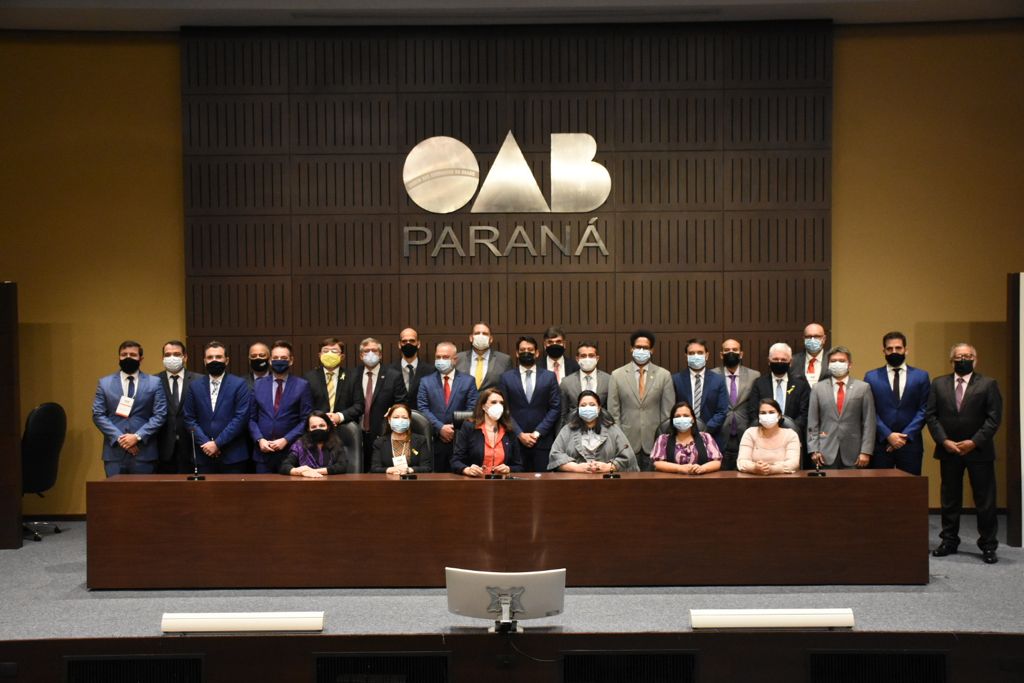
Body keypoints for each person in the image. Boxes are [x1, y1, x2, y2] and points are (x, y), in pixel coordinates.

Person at [927, 343, 1002, 564]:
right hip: (949, 450)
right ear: (952, 361)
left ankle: (988, 545)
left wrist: (974, 441)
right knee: (950, 500)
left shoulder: (988, 384)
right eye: (959, 357)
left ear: (975, 360)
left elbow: (994, 418)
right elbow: (931, 416)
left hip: (979, 451)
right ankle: (949, 541)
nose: (963, 360)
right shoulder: (938, 384)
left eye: (968, 356)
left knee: (985, 500)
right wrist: (944, 441)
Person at [91, 340, 168, 477]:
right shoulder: (104, 383)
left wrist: (137, 437)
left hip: (144, 452)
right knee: (114, 491)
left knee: (144, 491)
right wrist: (120, 438)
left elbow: (160, 414)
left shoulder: (154, 383)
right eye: (124, 354)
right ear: (119, 357)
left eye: (132, 355)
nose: (128, 357)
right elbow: (98, 414)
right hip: (114, 453)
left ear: (141, 358)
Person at [863, 331, 931, 475]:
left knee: (910, 486)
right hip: (881, 443)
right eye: (890, 348)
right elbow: (869, 410)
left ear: (906, 350)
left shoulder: (921, 376)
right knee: (880, 486)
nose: (894, 352)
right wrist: (888, 435)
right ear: (884, 351)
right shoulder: (871, 377)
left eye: (898, 348)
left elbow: (924, 409)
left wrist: (904, 436)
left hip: (910, 444)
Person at [607, 330, 674, 471]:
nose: (641, 350)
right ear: (631, 349)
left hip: (655, 442)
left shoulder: (664, 375)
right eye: (638, 347)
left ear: (652, 350)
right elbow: (613, 413)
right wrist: (619, 440)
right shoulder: (617, 375)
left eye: (645, 347)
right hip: (626, 442)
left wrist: (663, 440)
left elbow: (667, 413)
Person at [182, 341, 252, 474]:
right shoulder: (194, 386)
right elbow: (189, 418)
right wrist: (206, 443)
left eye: (218, 357)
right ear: (205, 361)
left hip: (233, 456)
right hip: (203, 454)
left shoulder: (239, 384)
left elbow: (241, 418)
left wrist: (217, 443)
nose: (214, 360)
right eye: (210, 357)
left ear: (227, 360)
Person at [498, 336, 561, 472]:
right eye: (522, 350)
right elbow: (503, 409)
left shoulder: (549, 377)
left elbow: (555, 408)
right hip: (515, 440)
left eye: (530, 350)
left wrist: (537, 433)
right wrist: (519, 434)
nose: (526, 352)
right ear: (517, 353)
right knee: (517, 481)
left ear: (537, 353)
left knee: (543, 481)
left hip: (542, 441)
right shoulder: (506, 378)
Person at [249, 340, 313, 473]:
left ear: (291, 361)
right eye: (276, 358)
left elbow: (306, 420)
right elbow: (251, 418)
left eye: (283, 358)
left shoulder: (302, 385)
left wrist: (286, 440)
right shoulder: (258, 384)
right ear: (270, 361)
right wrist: (259, 439)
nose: (279, 361)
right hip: (263, 453)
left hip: (290, 452)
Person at [807, 346, 876, 469]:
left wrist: (866, 451)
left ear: (850, 365)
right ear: (828, 365)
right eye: (833, 361)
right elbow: (813, 422)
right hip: (824, 452)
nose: (837, 363)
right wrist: (813, 449)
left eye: (842, 361)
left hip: (855, 453)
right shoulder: (817, 388)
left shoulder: (863, 388)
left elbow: (869, 422)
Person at [748, 342, 812, 468]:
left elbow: (804, 413)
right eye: (775, 359)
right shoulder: (759, 383)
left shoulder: (801, 385)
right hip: (764, 438)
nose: (779, 362)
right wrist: (768, 428)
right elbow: (753, 411)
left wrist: (788, 429)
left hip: (792, 437)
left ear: (790, 362)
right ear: (769, 361)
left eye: (783, 360)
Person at [418, 341, 479, 472]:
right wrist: (440, 428)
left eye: (445, 357)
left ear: (455, 359)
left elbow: (472, 408)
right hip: (435, 440)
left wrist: (453, 428)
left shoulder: (468, 381)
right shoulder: (425, 381)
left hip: (460, 440)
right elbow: (423, 408)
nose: (441, 360)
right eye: (438, 357)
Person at [350, 337, 407, 471]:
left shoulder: (393, 375)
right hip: (356, 433)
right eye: (366, 351)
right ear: (361, 355)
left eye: (374, 350)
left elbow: (402, 403)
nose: (370, 354)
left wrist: (393, 411)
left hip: (382, 433)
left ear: (380, 355)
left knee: (379, 472)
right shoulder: (352, 375)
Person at [548, 390, 638, 473]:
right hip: (575, 480)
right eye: (583, 405)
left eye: (592, 405)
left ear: (599, 408)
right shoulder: (567, 430)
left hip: (606, 480)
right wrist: (576, 467)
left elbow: (628, 457)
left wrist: (609, 467)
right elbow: (555, 456)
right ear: (578, 409)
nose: (587, 408)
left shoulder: (612, 429)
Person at [709, 338, 760, 470]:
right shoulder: (712, 375)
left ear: (741, 354)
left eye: (735, 350)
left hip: (745, 430)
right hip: (719, 431)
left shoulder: (754, 375)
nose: (731, 352)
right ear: (721, 355)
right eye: (727, 350)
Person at [153, 339, 202, 473]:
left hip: (192, 446)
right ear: (162, 358)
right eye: (167, 355)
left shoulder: (199, 380)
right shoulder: (153, 381)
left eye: (176, 354)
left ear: (185, 357)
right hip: (162, 447)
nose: (172, 358)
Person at [451, 388, 523, 476]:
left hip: (502, 481)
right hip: (476, 480)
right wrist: (467, 470)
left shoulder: (509, 430)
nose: (499, 406)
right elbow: (456, 461)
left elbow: (519, 466)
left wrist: (509, 469)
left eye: (501, 403)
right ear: (483, 406)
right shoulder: (469, 427)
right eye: (493, 402)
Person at [672, 338, 729, 445]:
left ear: (706, 355)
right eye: (691, 353)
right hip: (682, 437)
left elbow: (722, 411)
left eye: (700, 352)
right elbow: (672, 408)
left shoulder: (718, 380)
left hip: (711, 437)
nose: (696, 356)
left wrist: (704, 430)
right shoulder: (676, 379)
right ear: (686, 356)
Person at [650, 401, 722, 475]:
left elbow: (716, 462)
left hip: (701, 479)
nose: (682, 419)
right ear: (673, 420)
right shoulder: (663, 439)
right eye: (677, 416)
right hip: (672, 480)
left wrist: (702, 468)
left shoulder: (706, 437)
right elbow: (657, 463)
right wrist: (680, 468)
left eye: (686, 416)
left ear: (693, 419)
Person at [304, 337, 363, 426]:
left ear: (342, 356)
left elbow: (359, 405)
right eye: (325, 351)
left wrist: (339, 416)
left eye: (334, 351)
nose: (330, 354)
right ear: (320, 355)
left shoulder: (353, 377)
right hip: (317, 427)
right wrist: (319, 419)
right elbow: (305, 406)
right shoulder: (309, 377)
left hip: (345, 426)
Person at [280, 411, 354, 477]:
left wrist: (315, 471)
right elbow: (285, 466)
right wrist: (299, 471)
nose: (318, 429)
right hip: (306, 484)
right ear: (308, 429)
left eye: (322, 426)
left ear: (328, 427)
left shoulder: (336, 443)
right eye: (313, 427)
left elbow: (342, 466)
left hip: (330, 484)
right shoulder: (299, 445)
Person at [736, 399, 801, 475]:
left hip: (783, 479)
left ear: (779, 415)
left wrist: (772, 469)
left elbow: (793, 463)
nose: (767, 416)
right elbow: (741, 462)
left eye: (771, 412)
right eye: (763, 413)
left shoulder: (791, 435)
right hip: (754, 479)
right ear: (759, 417)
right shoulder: (750, 433)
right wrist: (754, 468)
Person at [370, 403, 433, 474]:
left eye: (404, 418)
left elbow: (427, 468)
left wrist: (409, 470)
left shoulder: (420, 440)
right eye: (396, 417)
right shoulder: (379, 442)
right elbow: (374, 468)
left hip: (412, 479)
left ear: (409, 420)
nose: (400, 420)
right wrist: (389, 470)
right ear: (389, 420)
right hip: (388, 479)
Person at [559, 340, 611, 426]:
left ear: (597, 358)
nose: (587, 359)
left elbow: (611, 410)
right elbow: (562, 414)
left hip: (602, 428)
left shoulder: (608, 380)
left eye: (591, 355)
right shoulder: (566, 382)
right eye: (583, 356)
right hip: (574, 428)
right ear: (577, 359)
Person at [454, 322, 512, 391]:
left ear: (491, 339)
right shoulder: (458, 358)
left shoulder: (504, 360)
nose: (480, 336)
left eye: (485, 334)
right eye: (477, 333)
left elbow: (508, 387)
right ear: (471, 338)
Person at [391, 327, 432, 402]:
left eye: (412, 341)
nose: (408, 344)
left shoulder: (430, 371)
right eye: (404, 341)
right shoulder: (389, 370)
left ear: (418, 344)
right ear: (399, 345)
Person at [792, 322, 831, 387]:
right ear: (804, 339)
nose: (812, 340)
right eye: (809, 337)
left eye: (816, 336)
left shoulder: (832, 359)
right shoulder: (793, 361)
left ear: (824, 339)